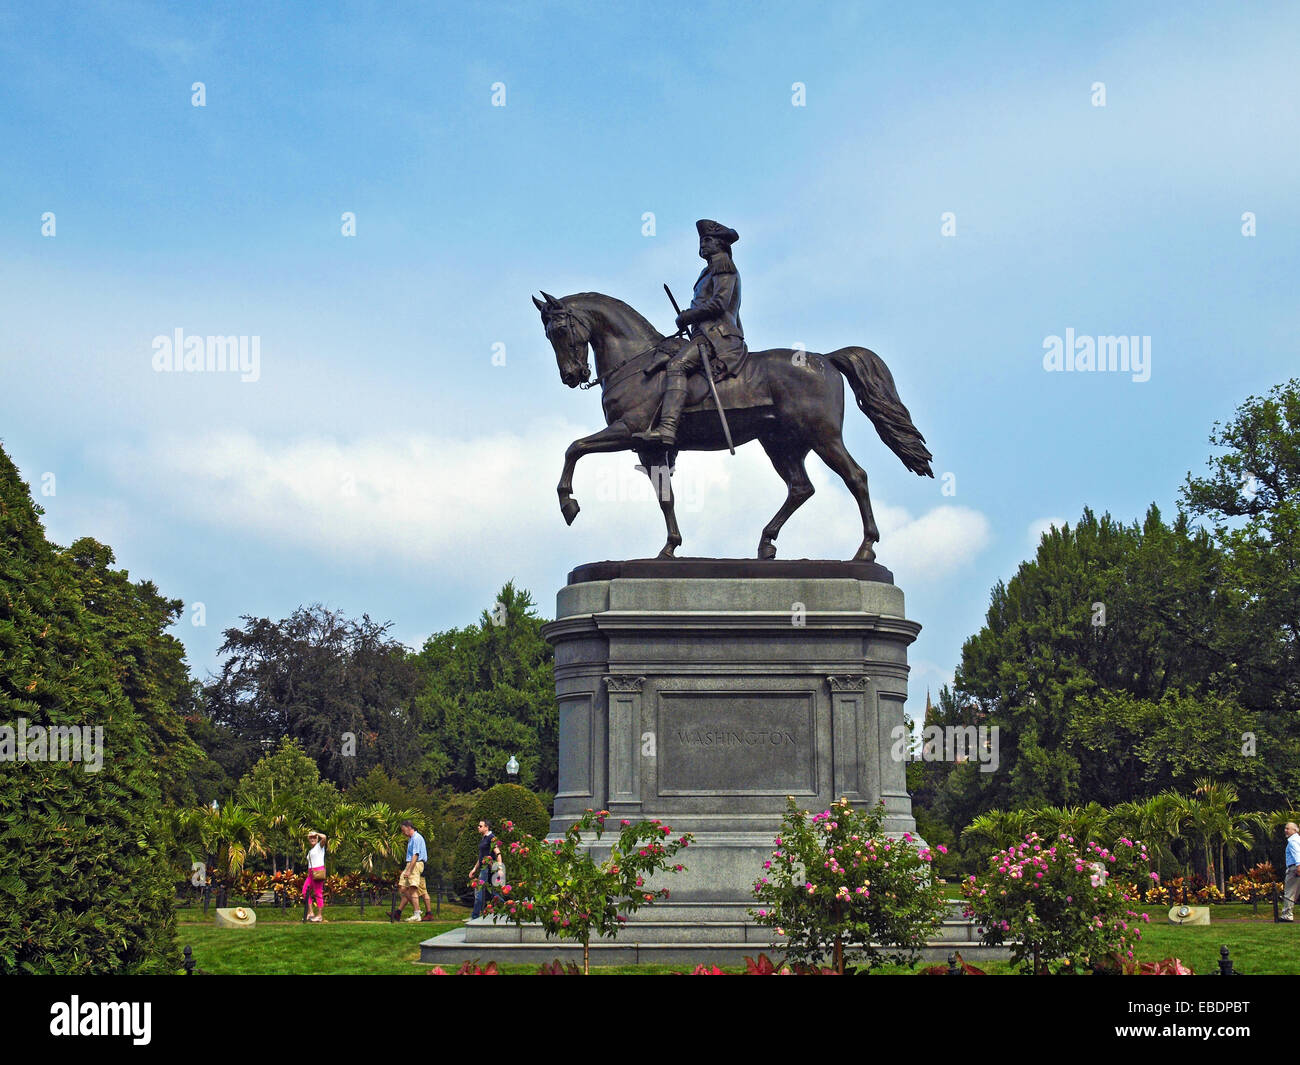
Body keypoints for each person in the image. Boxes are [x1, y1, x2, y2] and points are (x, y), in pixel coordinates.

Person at [632, 218, 747, 447]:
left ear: (720, 244)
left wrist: (689, 316)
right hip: (705, 334)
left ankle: (667, 428)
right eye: (701, 240)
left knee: (677, 365)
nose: (702, 244)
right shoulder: (709, 270)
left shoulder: (722, 265)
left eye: (708, 240)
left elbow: (719, 304)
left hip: (718, 336)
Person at [392, 819, 428, 923]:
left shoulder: (416, 838)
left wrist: (409, 870)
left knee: (412, 889)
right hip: (410, 864)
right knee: (403, 888)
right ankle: (417, 910)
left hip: (415, 864)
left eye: (403, 830)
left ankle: (417, 914)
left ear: (409, 827)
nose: (403, 832)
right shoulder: (411, 839)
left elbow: (415, 855)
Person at [468, 818, 503, 921]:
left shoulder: (491, 838)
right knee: (493, 893)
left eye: (480, 826)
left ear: (486, 827)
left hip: (489, 869)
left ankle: (474, 916)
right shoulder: (484, 839)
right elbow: (481, 857)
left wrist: (500, 868)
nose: (478, 828)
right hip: (484, 869)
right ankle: (507, 908)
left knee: (480, 892)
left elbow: (498, 853)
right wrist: (474, 869)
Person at [302, 830, 327, 923]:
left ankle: (319, 916)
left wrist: (316, 834)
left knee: (318, 893)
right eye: (310, 838)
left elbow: (324, 837)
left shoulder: (319, 846)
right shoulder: (311, 850)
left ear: (316, 838)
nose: (312, 839)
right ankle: (311, 912)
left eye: (314, 837)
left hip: (318, 872)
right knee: (305, 891)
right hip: (311, 873)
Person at [1281, 822, 1300, 921]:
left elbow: (1297, 853)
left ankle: (1287, 915)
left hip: (1294, 868)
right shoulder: (1298, 839)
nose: (1286, 830)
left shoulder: (1292, 841)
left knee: (1289, 892)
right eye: (1285, 828)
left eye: (1288, 828)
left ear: (1294, 830)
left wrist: (1298, 865)